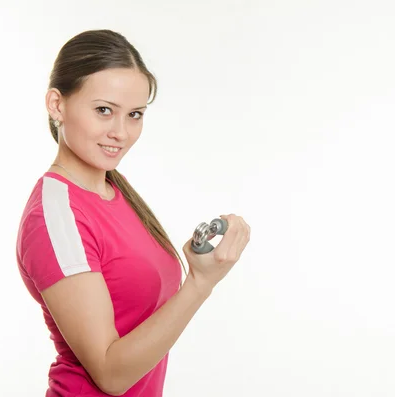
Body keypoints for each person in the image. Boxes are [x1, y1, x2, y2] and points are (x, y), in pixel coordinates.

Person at [15, 29, 251, 397]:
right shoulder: (57, 217)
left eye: (135, 114)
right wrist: (200, 283)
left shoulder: (114, 187)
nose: (121, 133)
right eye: (103, 110)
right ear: (57, 104)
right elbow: (111, 374)